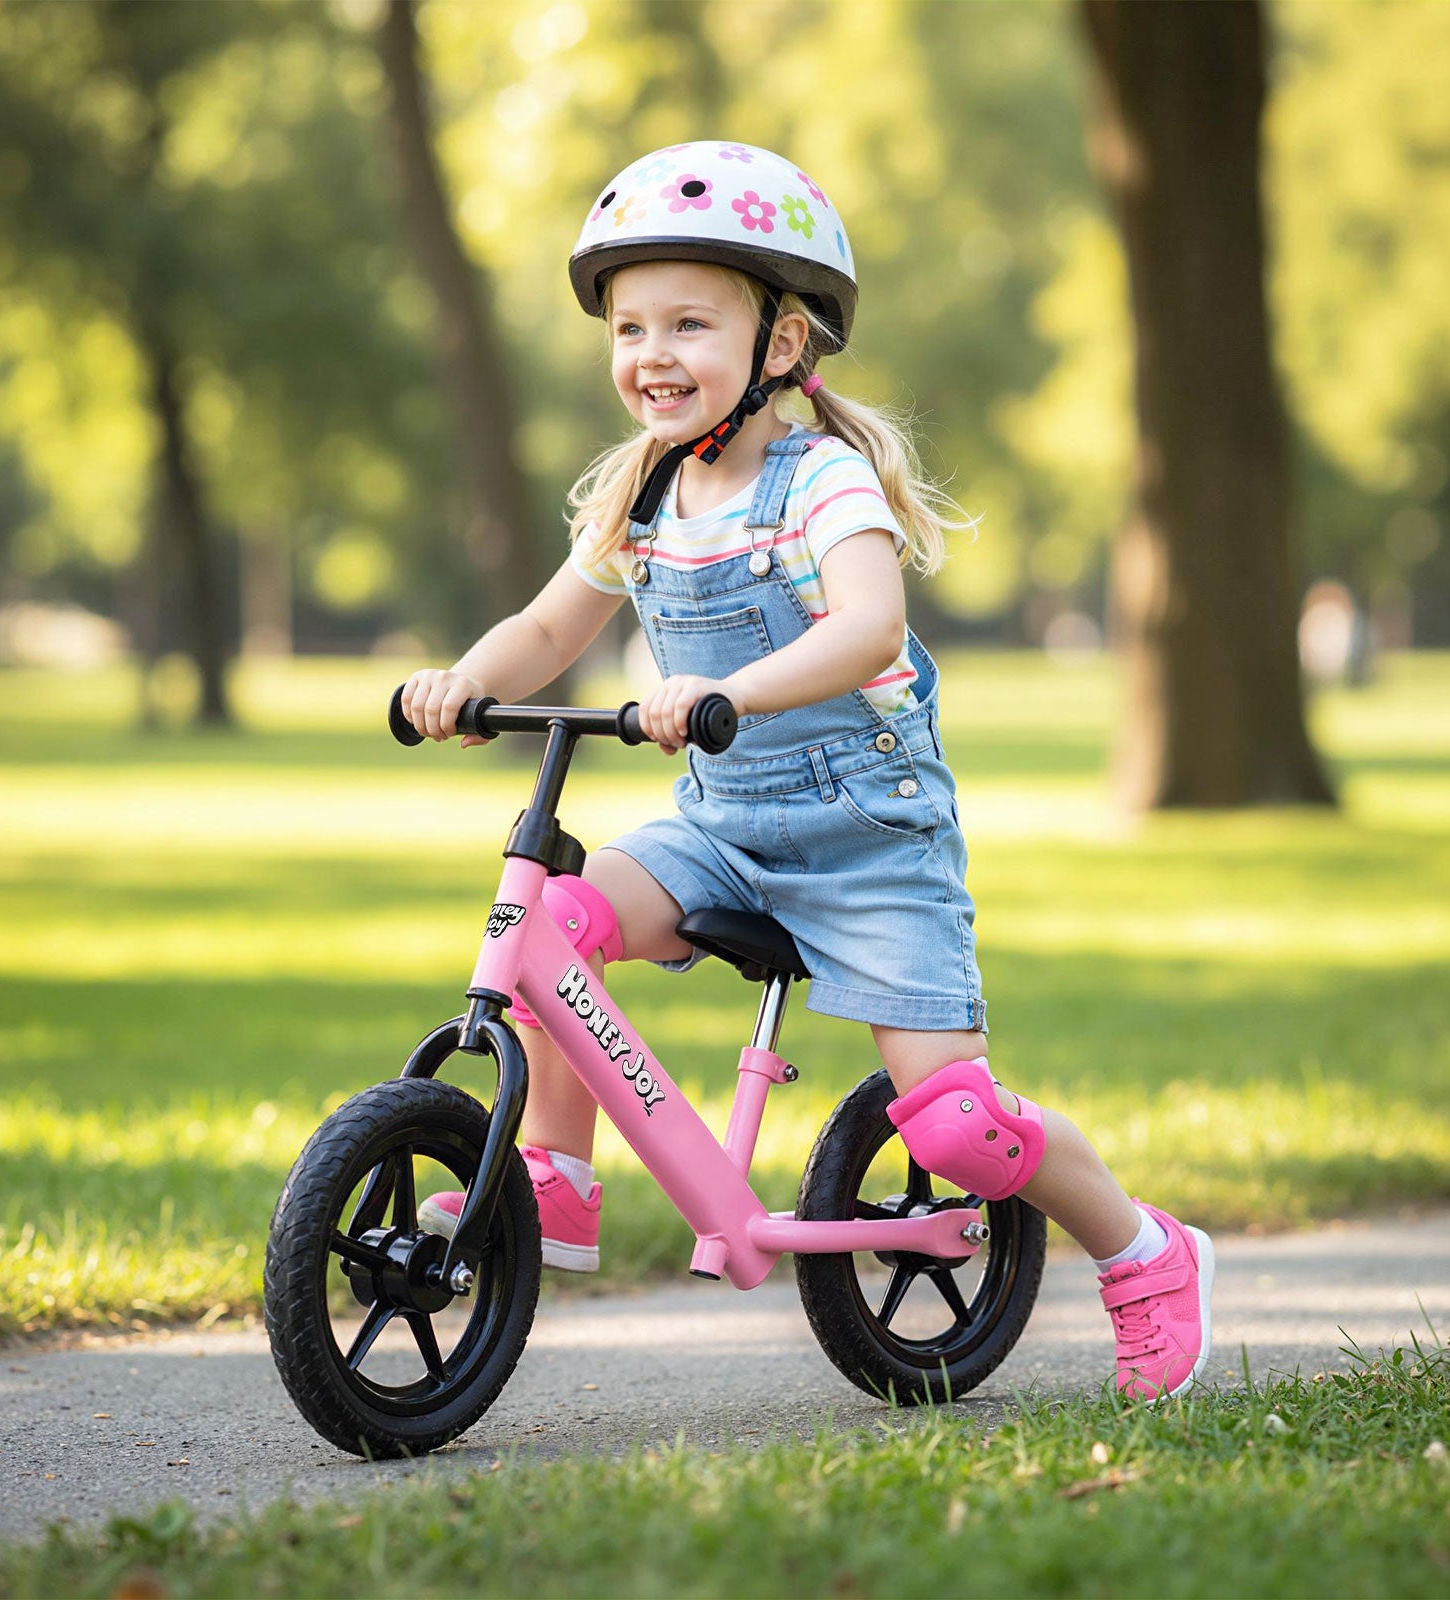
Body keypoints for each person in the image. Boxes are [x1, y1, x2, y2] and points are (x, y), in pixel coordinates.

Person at [403, 142, 1213, 1401]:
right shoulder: (642, 491)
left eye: (689, 324)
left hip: (867, 836)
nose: (652, 353)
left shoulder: (821, 480)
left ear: (780, 343)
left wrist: (726, 691)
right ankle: (553, 1176)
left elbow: (868, 627)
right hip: (722, 828)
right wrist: (462, 679)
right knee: (550, 922)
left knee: (955, 1124)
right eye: (629, 327)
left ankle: (1144, 1251)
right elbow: (551, 625)